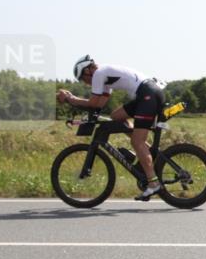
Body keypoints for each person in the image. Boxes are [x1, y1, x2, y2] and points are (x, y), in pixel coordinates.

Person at [57, 55, 165, 200]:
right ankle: (146, 150)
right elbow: (99, 105)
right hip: (146, 93)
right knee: (116, 116)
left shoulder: (99, 74)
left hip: (148, 95)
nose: (85, 82)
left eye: (83, 78)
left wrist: (70, 98)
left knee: (136, 142)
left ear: (88, 70)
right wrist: (75, 102)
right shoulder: (104, 76)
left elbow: (93, 102)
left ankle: (153, 184)